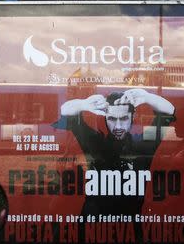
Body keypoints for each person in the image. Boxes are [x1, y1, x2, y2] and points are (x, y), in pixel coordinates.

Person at [53, 88, 175, 216]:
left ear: (133, 117)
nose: (117, 126)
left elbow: (169, 111)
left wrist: (146, 97)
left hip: (130, 225)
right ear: (105, 118)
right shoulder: (94, 142)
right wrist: (84, 104)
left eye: (123, 119)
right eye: (111, 118)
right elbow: (65, 111)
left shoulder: (143, 144)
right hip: (94, 224)